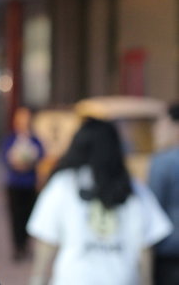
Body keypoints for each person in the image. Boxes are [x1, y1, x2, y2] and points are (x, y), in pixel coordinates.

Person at [27, 118, 172, 285]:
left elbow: (46, 245)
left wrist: (37, 280)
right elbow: (145, 251)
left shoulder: (64, 184)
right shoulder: (134, 189)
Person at [0, 107, 44, 261]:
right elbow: (5, 157)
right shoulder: (11, 139)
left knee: (29, 216)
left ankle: (26, 244)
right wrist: (16, 163)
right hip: (15, 183)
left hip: (30, 183)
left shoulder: (34, 139)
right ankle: (17, 246)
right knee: (15, 217)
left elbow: (41, 154)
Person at [148, 103, 179, 285]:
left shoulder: (164, 162)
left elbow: (153, 209)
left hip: (170, 251)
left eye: (161, 123)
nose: (155, 130)